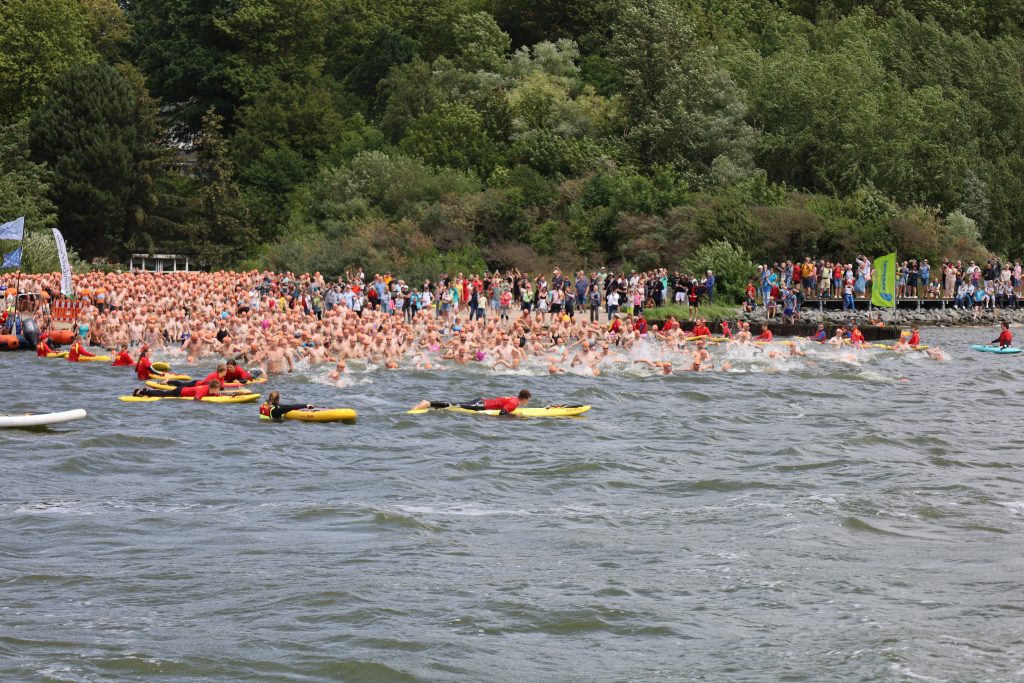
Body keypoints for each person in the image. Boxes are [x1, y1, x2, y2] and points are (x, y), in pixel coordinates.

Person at [412, 389, 531, 415]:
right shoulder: (514, 403)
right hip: (480, 406)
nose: (527, 403)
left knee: (454, 405)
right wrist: (516, 416)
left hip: (481, 401)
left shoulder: (512, 398)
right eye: (528, 401)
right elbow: (502, 414)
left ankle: (431, 406)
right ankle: (428, 403)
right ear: (524, 399)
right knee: (453, 404)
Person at [132, 379, 225, 400]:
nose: (218, 390)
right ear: (213, 387)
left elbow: (216, 395)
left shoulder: (211, 390)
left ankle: (146, 390)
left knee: (164, 393)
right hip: (180, 391)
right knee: (163, 394)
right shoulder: (204, 390)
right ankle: (141, 392)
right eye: (218, 389)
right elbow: (196, 399)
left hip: (184, 389)